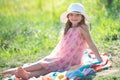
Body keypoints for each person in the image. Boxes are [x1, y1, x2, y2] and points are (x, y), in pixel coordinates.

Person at [1, 3, 103, 80]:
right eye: (71, 15)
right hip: (63, 57)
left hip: (71, 60)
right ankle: (28, 74)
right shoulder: (68, 28)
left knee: (45, 63)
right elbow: (63, 46)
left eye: (77, 15)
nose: (74, 17)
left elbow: (91, 44)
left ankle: (17, 70)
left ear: (82, 17)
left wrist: (99, 59)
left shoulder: (83, 28)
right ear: (68, 17)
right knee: (48, 67)